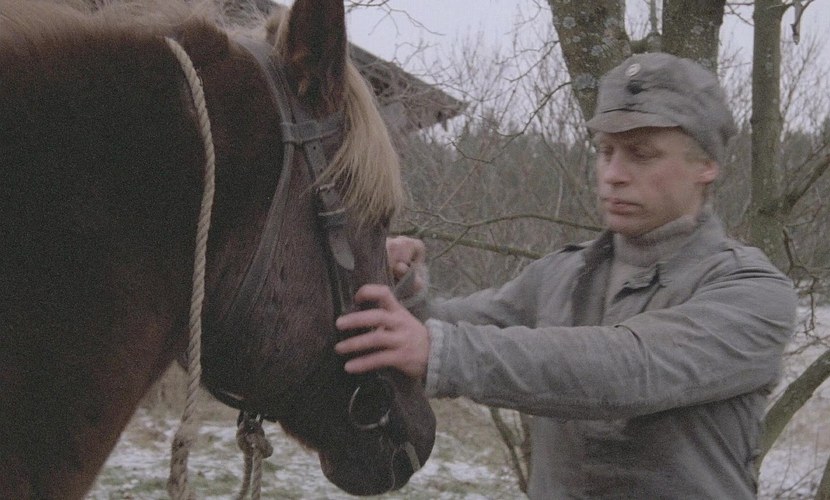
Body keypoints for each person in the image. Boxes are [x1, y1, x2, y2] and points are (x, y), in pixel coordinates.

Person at [334, 52, 797, 499]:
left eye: (641, 154)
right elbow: (447, 327)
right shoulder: (563, 274)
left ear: (706, 166)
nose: (613, 174)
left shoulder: (751, 292)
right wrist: (405, 288)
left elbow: (630, 368)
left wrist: (440, 350)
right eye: (605, 151)